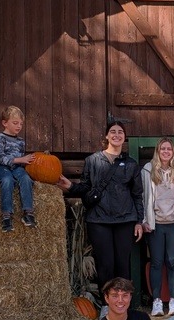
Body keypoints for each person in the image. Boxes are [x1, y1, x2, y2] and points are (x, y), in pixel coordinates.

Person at [59, 122, 144, 294]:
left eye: (120, 132)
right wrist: (70, 187)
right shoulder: (93, 161)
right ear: (106, 136)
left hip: (125, 219)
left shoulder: (130, 164)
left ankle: (123, 301)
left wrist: (139, 221)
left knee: (122, 263)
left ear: (124, 137)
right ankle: (107, 303)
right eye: (113, 132)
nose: (117, 135)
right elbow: (85, 188)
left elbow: (137, 194)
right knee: (105, 263)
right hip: (98, 219)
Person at [141, 137, 174, 316]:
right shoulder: (148, 170)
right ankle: (156, 301)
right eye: (162, 149)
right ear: (157, 151)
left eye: (169, 149)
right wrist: (143, 220)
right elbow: (141, 197)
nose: (165, 152)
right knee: (156, 263)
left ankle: (173, 301)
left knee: (172, 262)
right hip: (155, 224)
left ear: (173, 152)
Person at [0, 105, 37, 232]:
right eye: (15, 123)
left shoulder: (21, 141)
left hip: (16, 167)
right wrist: (19, 160)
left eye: (21, 124)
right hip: (1, 167)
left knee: (26, 179)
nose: (19, 127)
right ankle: (6, 215)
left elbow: (21, 158)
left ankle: (28, 213)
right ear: (5, 123)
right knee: (7, 180)